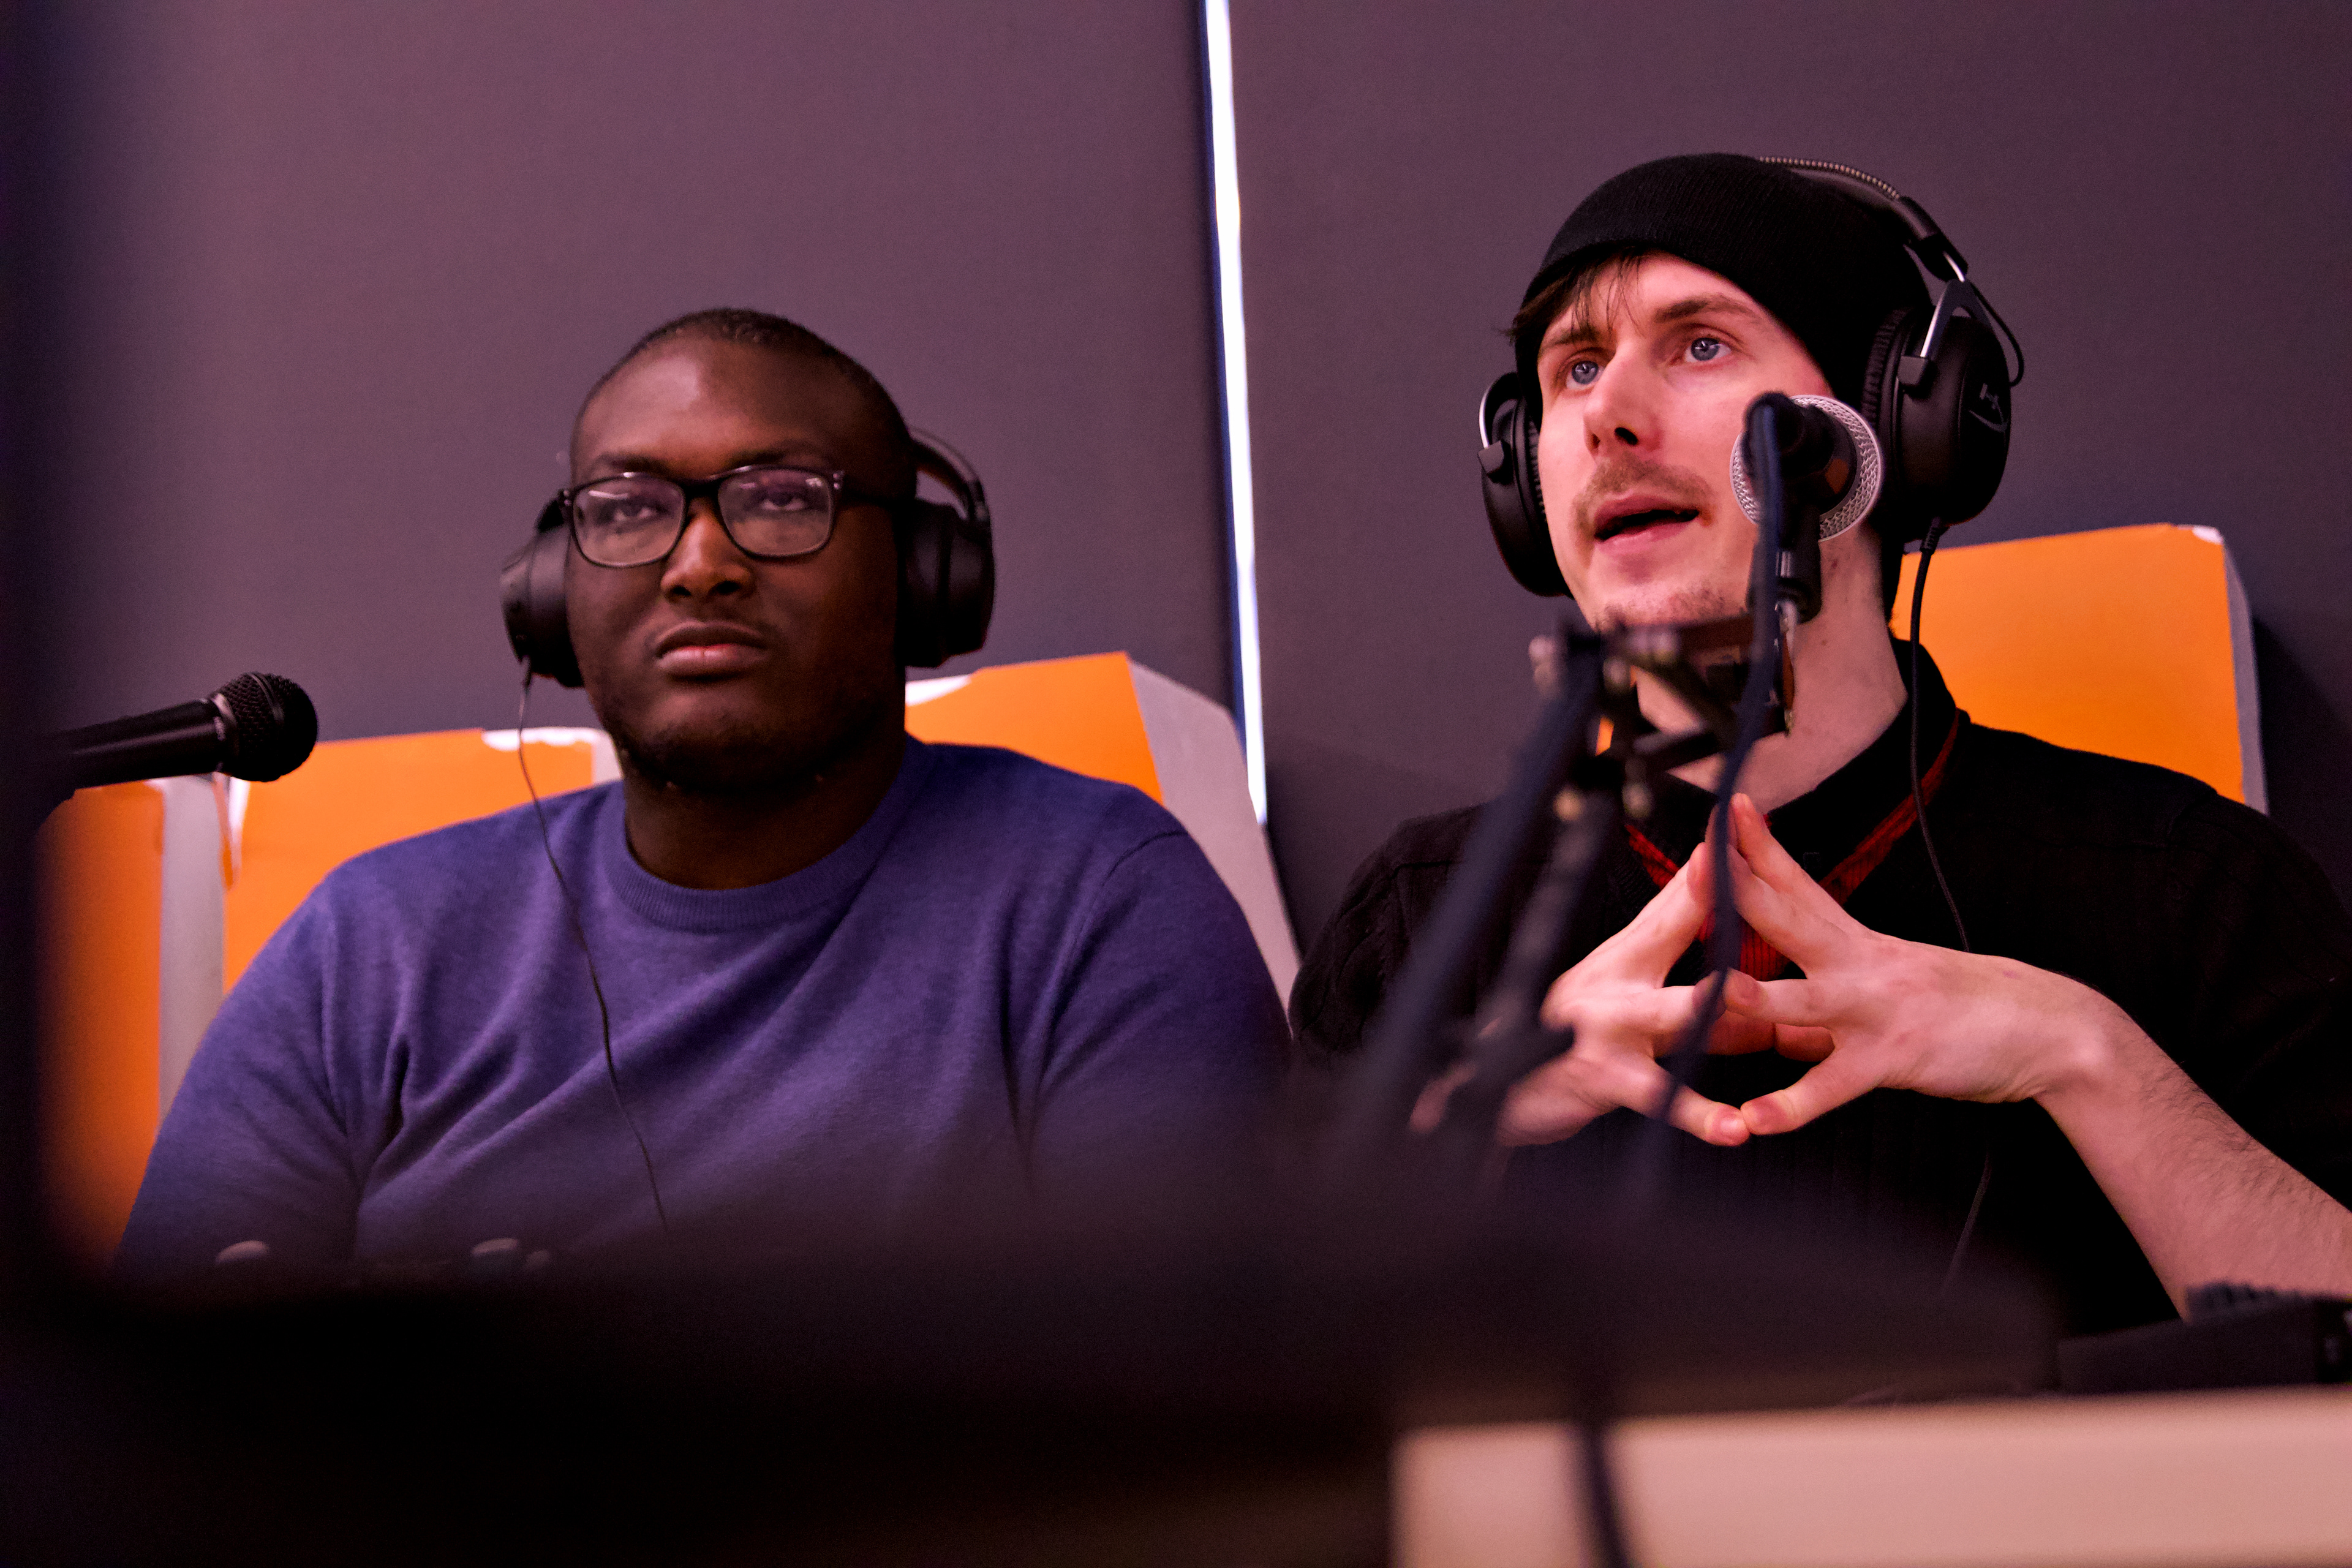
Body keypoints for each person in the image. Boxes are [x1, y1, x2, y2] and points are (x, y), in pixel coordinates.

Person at [1292, 154, 2352, 1332]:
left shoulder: (2189, 891)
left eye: (1700, 346)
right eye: (1576, 369)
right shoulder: (1419, 925)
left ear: (1889, 426)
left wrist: (2082, 1054)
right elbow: (1262, 1389)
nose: (1607, 416)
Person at [118, 308, 1287, 1278]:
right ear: (550, 596)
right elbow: (151, 1421)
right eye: (629, 510)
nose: (699, 563)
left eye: (780, 498)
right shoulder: (369, 943)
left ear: (923, 573)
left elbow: (1169, 1410)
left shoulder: (1102, 901)